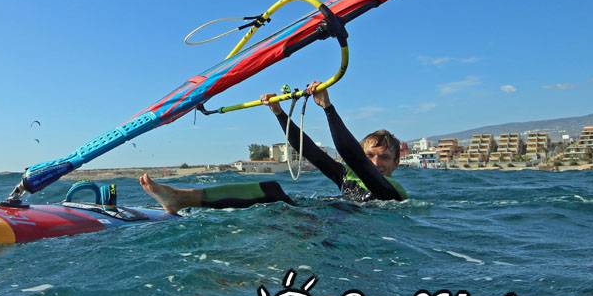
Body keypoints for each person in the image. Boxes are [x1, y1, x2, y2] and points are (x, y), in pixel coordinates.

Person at [139, 81, 407, 214]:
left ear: (396, 163)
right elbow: (309, 150)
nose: (374, 162)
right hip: (321, 220)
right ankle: (180, 198)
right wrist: (279, 113)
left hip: (342, 236)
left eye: (384, 158)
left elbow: (352, 155)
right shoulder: (345, 176)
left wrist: (327, 107)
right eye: (370, 154)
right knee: (273, 190)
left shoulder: (392, 193)